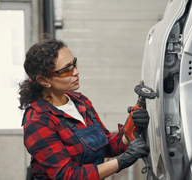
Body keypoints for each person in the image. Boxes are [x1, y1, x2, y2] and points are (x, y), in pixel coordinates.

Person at [19, 37, 150, 180]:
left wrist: (131, 128)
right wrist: (122, 161)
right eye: (66, 70)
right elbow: (68, 176)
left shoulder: (80, 101)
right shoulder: (38, 121)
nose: (76, 72)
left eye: (74, 64)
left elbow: (106, 146)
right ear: (44, 80)